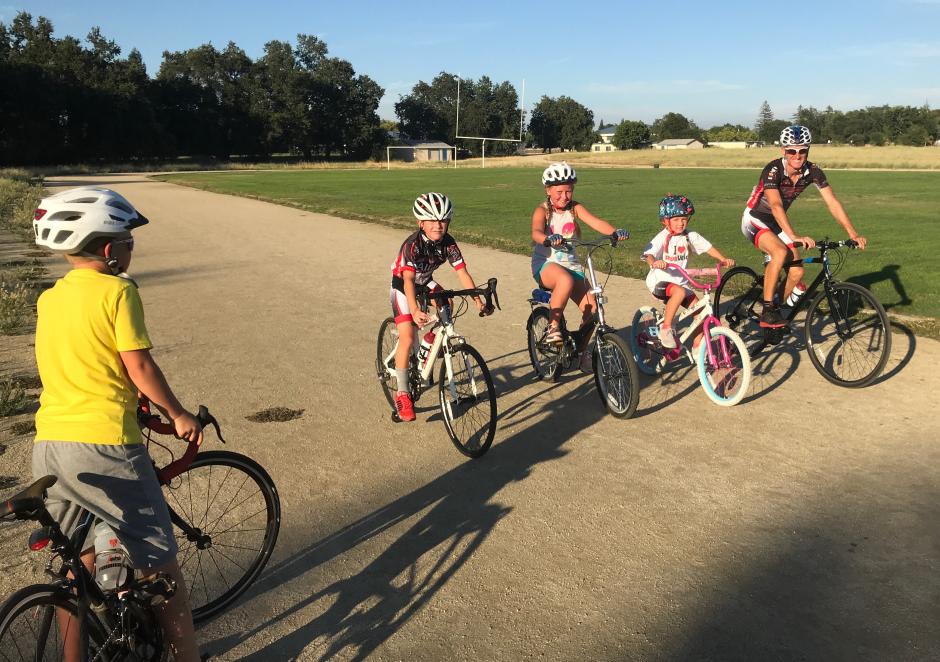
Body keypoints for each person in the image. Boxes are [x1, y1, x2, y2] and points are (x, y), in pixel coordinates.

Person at [32, 186, 203, 661]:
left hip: (50, 443)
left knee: (75, 570)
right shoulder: (118, 289)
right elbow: (138, 365)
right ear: (110, 250)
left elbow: (79, 364)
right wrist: (178, 413)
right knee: (160, 564)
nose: (132, 246)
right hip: (105, 444)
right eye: (128, 238)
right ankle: (187, 656)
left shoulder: (51, 298)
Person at [742, 124, 867, 328]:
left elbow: (832, 203)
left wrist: (852, 233)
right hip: (755, 219)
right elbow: (775, 205)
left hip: (776, 223)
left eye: (802, 151)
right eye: (792, 150)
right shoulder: (773, 170)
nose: (797, 156)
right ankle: (767, 309)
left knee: (797, 273)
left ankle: (774, 311)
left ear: (808, 150)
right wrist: (793, 236)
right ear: (783, 150)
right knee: (780, 253)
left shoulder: (813, 171)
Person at [389, 192, 491, 422]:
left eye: (443, 220)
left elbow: (462, 272)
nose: (438, 225)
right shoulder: (412, 245)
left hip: (424, 282)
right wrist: (414, 310)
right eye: (432, 220)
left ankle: (431, 339)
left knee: (448, 301)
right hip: (403, 287)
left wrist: (477, 300)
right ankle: (403, 393)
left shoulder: (449, 243)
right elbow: (407, 281)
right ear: (420, 223)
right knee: (406, 336)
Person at [530, 162, 629, 348]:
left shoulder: (575, 208)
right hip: (546, 264)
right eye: (559, 192)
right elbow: (536, 232)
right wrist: (548, 238)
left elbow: (596, 222)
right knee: (565, 280)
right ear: (548, 190)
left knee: (593, 310)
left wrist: (614, 232)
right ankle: (553, 327)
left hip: (571, 265)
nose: (564, 196)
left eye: (568, 191)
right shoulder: (542, 210)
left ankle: (582, 353)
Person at [642, 194, 735, 349]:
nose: (681, 223)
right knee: (678, 292)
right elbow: (648, 254)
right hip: (660, 282)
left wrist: (723, 259)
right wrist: (655, 262)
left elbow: (708, 247)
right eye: (676, 219)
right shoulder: (663, 237)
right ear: (666, 221)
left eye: (684, 219)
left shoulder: (690, 236)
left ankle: (698, 345)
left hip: (681, 283)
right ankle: (666, 329)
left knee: (701, 313)